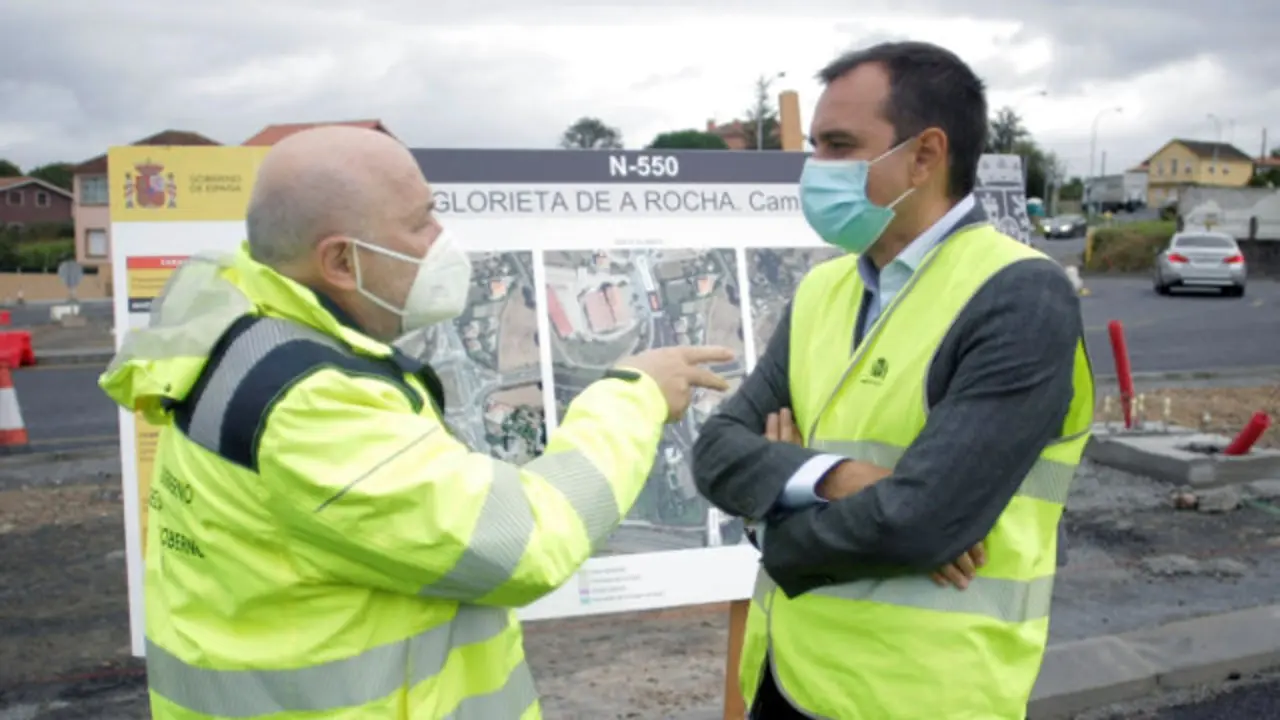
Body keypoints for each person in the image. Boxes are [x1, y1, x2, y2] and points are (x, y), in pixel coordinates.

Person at [98, 126, 734, 720]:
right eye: (420, 222)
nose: (442, 239)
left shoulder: (253, 332)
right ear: (342, 262)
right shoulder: (309, 407)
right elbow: (524, 544)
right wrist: (634, 397)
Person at [692, 41, 1094, 719]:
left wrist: (768, 524)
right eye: (815, 147)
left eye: (840, 146)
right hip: (788, 677)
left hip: (924, 694)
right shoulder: (824, 289)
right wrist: (837, 476)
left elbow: (919, 521)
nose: (817, 170)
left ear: (926, 154)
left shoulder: (1020, 296)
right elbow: (716, 451)